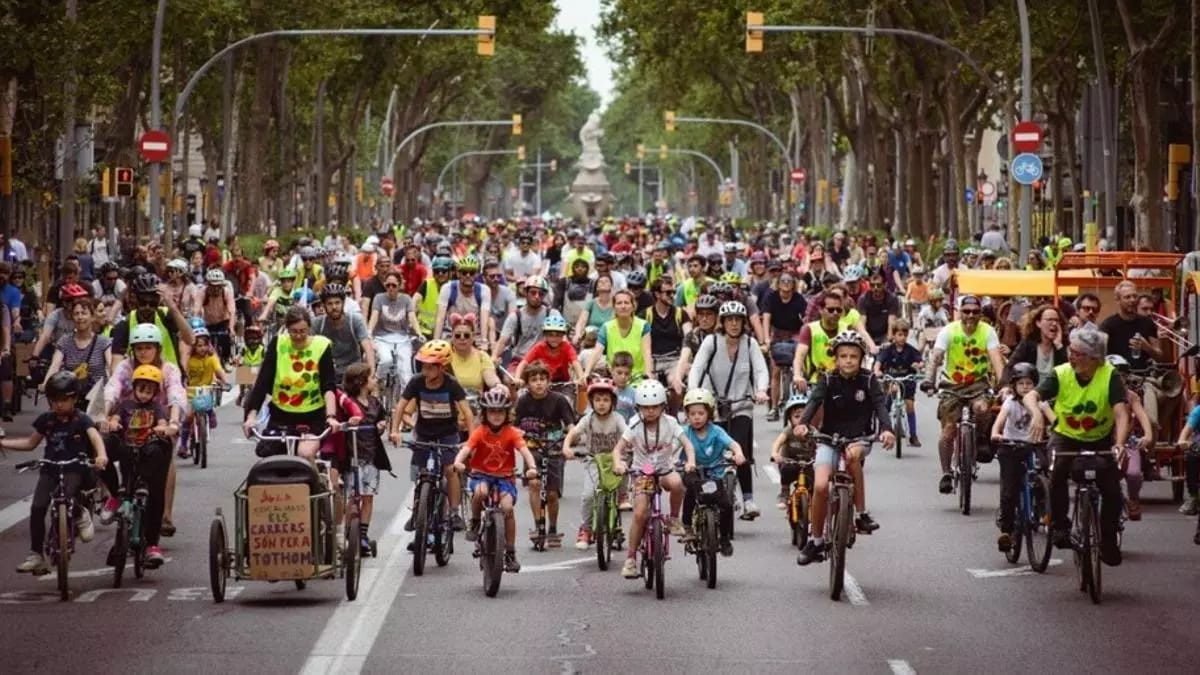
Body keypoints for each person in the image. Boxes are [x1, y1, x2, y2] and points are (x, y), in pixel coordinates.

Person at [1024, 326, 1129, 566]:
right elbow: (1032, 396)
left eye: (1077, 353)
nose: (1070, 356)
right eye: (1070, 350)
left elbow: (1122, 413)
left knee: (1113, 492)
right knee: (1057, 471)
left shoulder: (1109, 375)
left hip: (1100, 437)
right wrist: (1037, 415)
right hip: (1066, 435)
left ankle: (1108, 539)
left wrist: (1120, 444)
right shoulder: (1061, 373)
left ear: (1094, 358)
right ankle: (1060, 525)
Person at [795, 331, 895, 565]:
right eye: (843, 356)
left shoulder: (869, 380)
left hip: (859, 438)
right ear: (836, 358)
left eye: (853, 356)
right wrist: (802, 424)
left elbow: (880, 406)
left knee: (852, 457)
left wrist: (887, 429)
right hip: (829, 438)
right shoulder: (827, 380)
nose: (848, 360)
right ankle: (816, 541)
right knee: (820, 486)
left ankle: (861, 515)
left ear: (861, 358)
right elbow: (813, 403)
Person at [4, 371, 107, 574]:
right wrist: (4, 443)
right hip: (50, 468)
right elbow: (30, 443)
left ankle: (79, 512)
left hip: (74, 468)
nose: (59, 405)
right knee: (38, 507)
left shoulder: (82, 419)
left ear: (74, 399)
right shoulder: (47, 420)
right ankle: (35, 554)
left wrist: (101, 455)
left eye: (64, 400)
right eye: (54, 400)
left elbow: (95, 437)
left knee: (69, 497)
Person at [686, 300, 769, 519]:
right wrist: (693, 392)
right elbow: (697, 368)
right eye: (729, 320)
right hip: (712, 406)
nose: (734, 324)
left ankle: (748, 499)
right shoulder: (711, 342)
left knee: (739, 448)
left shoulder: (749, 344)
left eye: (738, 320)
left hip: (741, 404)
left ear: (744, 323)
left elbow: (761, 370)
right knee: (714, 451)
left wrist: (761, 390)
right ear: (722, 322)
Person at [921, 294, 1007, 494]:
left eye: (975, 312)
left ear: (980, 314)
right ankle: (946, 474)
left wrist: (1003, 383)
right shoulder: (949, 331)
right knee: (948, 431)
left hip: (978, 386)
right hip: (952, 386)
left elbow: (996, 359)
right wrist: (928, 379)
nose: (971, 316)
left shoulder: (987, 332)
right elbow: (936, 357)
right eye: (966, 311)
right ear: (959, 312)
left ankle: (979, 440)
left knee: (982, 408)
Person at [611, 379, 696, 578]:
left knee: (677, 484)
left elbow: (687, 444)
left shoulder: (671, 423)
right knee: (640, 513)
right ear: (639, 407)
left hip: (664, 468)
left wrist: (691, 461)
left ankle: (674, 519)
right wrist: (619, 463)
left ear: (663, 406)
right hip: (643, 471)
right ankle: (631, 558)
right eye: (645, 407)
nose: (650, 412)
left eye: (655, 407)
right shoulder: (634, 424)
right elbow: (618, 450)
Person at [387, 340, 470, 532]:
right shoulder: (417, 381)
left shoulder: (452, 384)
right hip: (424, 433)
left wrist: (470, 442)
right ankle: (418, 511)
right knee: (422, 473)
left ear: (442, 367)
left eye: (431, 366)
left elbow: (467, 413)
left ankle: (455, 512)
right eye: (424, 365)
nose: (426, 370)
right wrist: (395, 430)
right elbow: (400, 406)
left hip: (447, 434)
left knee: (450, 470)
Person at [454, 388, 538, 573]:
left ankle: (510, 552)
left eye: (500, 411)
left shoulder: (512, 432)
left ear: (507, 413)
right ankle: (475, 522)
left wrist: (532, 467)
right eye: (492, 411)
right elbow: (467, 449)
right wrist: (458, 462)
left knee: (507, 508)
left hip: (505, 478)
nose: (496, 415)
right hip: (481, 475)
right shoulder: (480, 431)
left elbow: (525, 451)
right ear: (485, 413)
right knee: (480, 492)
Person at [241, 306, 341, 461]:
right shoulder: (278, 344)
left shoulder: (321, 346)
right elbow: (263, 382)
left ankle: (315, 484)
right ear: (287, 329)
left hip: (313, 416)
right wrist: (251, 416)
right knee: (273, 460)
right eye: (294, 331)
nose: (299, 336)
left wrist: (331, 416)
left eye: (303, 331)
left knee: (305, 453)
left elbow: (328, 386)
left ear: (309, 328)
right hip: (281, 416)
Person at [514, 360, 577, 548]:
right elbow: (514, 426)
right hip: (532, 448)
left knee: (551, 494)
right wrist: (518, 437)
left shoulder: (559, 400)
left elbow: (571, 426)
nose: (539, 383)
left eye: (542, 379)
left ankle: (553, 528)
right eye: (534, 379)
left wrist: (568, 443)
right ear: (527, 383)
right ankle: (538, 525)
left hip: (554, 448)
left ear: (548, 381)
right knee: (534, 484)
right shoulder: (523, 401)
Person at [990, 362, 1050, 553]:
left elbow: (1054, 418)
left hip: (1033, 445)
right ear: (1014, 386)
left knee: (1046, 475)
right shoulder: (1010, 403)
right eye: (1021, 383)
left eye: (1029, 383)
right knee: (1010, 491)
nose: (1025, 387)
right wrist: (996, 433)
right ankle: (1006, 531)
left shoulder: (1040, 402)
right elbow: (999, 422)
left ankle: (1044, 511)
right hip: (1011, 446)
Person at [679, 388, 746, 555]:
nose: (696, 417)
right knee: (690, 492)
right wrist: (680, 463)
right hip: (693, 471)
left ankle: (724, 538)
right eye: (692, 413)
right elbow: (672, 448)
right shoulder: (685, 432)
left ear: (709, 413)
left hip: (715, 472)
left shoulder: (716, 432)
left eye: (701, 413)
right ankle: (687, 526)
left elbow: (733, 444)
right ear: (687, 414)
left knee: (726, 505)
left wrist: (738, 453)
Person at [563, 377, 627, 550]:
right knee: (589, 495)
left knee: (624, 468)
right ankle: (586, 529)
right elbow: (573, 433)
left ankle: (623, 497)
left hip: (614, 458)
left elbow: (628, 434)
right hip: (594, 460)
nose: (601, 404)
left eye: (606, 400)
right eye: (597, 400)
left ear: (613, 402)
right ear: (591, 402)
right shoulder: (588, 419)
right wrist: (566, 446)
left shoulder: (617, 418)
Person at [1100, 281, 1166, 430]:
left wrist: (1147, 347)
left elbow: (1161, 356)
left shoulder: (1147, 323)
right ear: (1118, 299)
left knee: (1171, 392)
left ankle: (1156, 434)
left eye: (1134, 296)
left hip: (1144, 377)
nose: (1132, 300)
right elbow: (1100, 355)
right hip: (1119, 378)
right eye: (1127, 297)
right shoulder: (1108, 325)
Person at [341, 363, 392, 555]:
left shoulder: (374, 403)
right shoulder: (348, 403)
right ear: (362, 381)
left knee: (368, 497)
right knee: (353, 497)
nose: (375, 380)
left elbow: (382, 418)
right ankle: (348, 532)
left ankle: (362, 535)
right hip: (352, 456)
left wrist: (381, 425)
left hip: (370, 456)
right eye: (371, 378)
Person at [41, 298, 112, 412]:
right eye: (76, 314)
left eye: (84, 313)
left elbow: (111, 365)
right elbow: (55, 365)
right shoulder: (65, 341)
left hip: (96, 397)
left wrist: (113, 387)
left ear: (92, 317)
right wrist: (46, 383)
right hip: (72, 396)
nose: (80, 317)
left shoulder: (104, 342)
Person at [763, 272, 808, 421]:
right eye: (783, 281)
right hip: (777, 333)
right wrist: (766, 339)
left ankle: (801, 403)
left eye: (789, 281)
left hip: (794, 333)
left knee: (799, 366)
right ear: (778, 283)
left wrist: (805, 337)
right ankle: (774, 407)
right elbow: (766, 318)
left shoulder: (799, 299)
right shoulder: (772, 297)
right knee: (775, 371)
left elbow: (805, 318)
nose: (786, 284)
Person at [583, 290, 652, 381]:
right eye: (619, 303)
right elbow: (597, 352)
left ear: (633, 306)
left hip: (638, 378)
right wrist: (586, 373)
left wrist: (648, 374)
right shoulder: (606, 327)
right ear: (614, 307)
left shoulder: (643, 326)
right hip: (614, 378)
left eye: (626, 303)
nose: (623, 306)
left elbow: (646, 352)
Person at [312, 283, 374, 383]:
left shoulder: (355, 320)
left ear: (343, 303)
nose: (334, 307)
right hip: (328, 373)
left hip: (353, 374)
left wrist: (370, 376)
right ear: (324, 305)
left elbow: (368, 348)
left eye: (337, 303)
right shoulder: (318, 324)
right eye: (330, 303)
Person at [874, 319, 923, 447]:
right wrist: (877, 370)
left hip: (907, 379)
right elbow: (879, 361)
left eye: (905, 335)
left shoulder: (911, 350)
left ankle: (913, 435)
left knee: (910, 405)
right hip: (892, 378)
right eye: (899, 335)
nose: (902, 338)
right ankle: (884, 429)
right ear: (894, 335)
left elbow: (920, 361)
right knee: (889, 398)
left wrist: (918, 365)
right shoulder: (888, 349)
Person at [367, 271, 419, 391]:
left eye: (394, 285)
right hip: (382, 338)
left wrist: (419, 333)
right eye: (388, 285)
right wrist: (369, 332)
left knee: (406, 374)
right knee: (386, 360)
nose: (390, 288)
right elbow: (374, 315)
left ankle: (404, 404)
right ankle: (377, 382)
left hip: (402, 339)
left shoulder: (406, 299)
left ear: (400, 286)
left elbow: (412, 317)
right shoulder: (379, 298)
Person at [492, 276, 555, 368]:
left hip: (543, 361)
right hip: (519, 358)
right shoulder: (515, 316)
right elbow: (503, 341)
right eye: (533, 293)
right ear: (526, 292)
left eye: (541, 294)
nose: (537, 296)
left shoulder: (551, 314)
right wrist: (494, 356)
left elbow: (563, 339)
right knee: (509, 380)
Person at [771, 393, 816, 510]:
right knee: (786, 470)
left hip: (808, 463)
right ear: (789, 418)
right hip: (791, 462)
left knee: (815, 481)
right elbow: (778, 442)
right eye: (796, 416)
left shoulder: (812, 431)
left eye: (804, 416)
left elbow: (821, 445)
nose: (800, 420)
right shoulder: (789, 431)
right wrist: (775, 454)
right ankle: (784, 493)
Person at [1004, 304, 1067, 383]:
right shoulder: (1028, 344)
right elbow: (1010, 367)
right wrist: (1005, 387)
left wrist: (1059, 346)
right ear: (1038, 323)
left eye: (1057, 320)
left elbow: (1068, 371)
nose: (1054, 323)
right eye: (1050, 320)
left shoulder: (1062, 345)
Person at [513, 315, 584, 385]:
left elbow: (575, 363)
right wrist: (517, 378)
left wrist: (581, 378)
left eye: (558, 335)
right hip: (542, 384)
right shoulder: (539, 347)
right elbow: (523, 363)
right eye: (550, 335)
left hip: (563, 384)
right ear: (545, 335)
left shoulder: (567, 347)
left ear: (563, 335)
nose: (554, 338)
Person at [446, 316, 502, 393]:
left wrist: (498, 386)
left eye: (466, 335)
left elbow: (490, 377)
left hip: (476, 402)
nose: (462, 338)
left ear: (473, 337)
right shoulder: (445, 355)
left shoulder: (482, 356)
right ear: (452, 337)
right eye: (458, 335)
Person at [858, 270, 902, 348]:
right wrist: (865, 341)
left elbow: (891, 322)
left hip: (884, 334)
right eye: (872, 285)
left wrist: (889, 341)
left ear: (885, 285)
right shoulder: (863, 299)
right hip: (869, 334)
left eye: (879, 285)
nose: (875, 288)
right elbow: (862, 322)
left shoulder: (892, 299)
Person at [573, 274, 615, 341]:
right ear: (597, 287)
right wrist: (577, 334)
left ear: (611, 286)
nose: (603, 282)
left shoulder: (616, 303)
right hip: (592, 338)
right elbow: (581, 322)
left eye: (606, 281)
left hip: (610, 338)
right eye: (600, 281)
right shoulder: (591, 303)